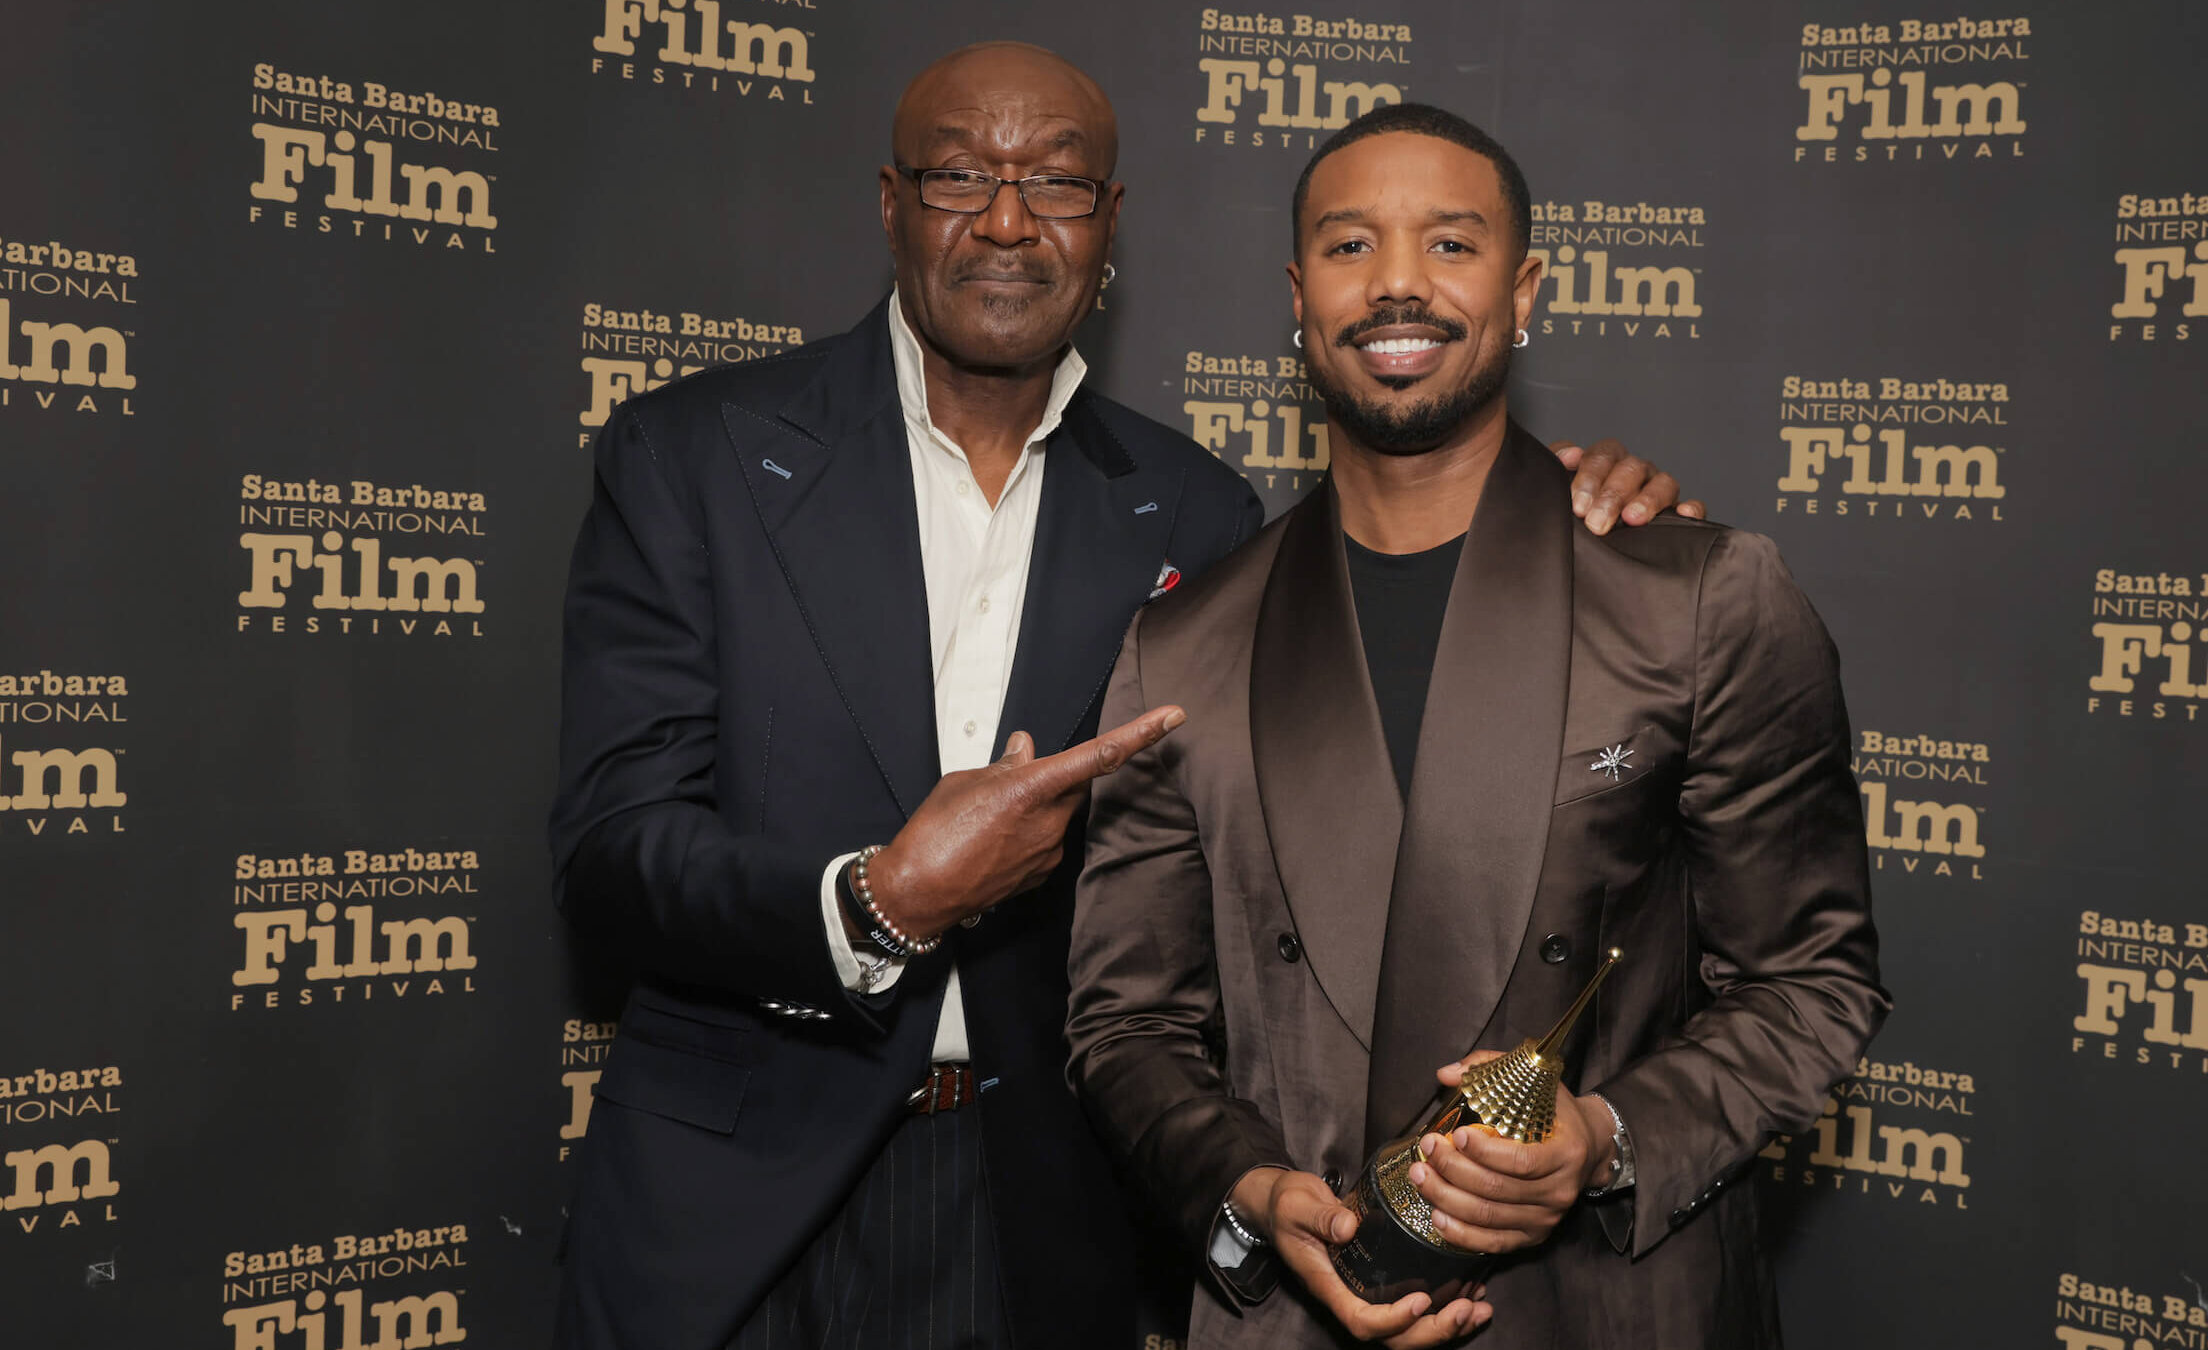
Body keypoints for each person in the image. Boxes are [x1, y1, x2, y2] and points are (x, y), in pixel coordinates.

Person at [550, 43, 1699, 1350]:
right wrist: (881, 901)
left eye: (1056, 182)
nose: (1004, 217)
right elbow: (609, 860)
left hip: (1036, 1219)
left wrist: (1579, 501)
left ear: (1108, 227)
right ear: (888, 203)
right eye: (959, 176)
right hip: (726, 1219)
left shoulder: (1198, 511)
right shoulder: (695, 456)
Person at [1065, 102, 1888, 1350]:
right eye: (1350, 248)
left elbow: (1812, 982)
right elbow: (1126, 1025)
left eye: (1450, 245)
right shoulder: (1181, 647)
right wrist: (1247, 1191)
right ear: (1299, 296)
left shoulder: (1699, 598)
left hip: (1615, 1311)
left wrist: (1604, 1140)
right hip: (1300, 1315)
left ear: (1526, 291)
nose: (1398, 284)